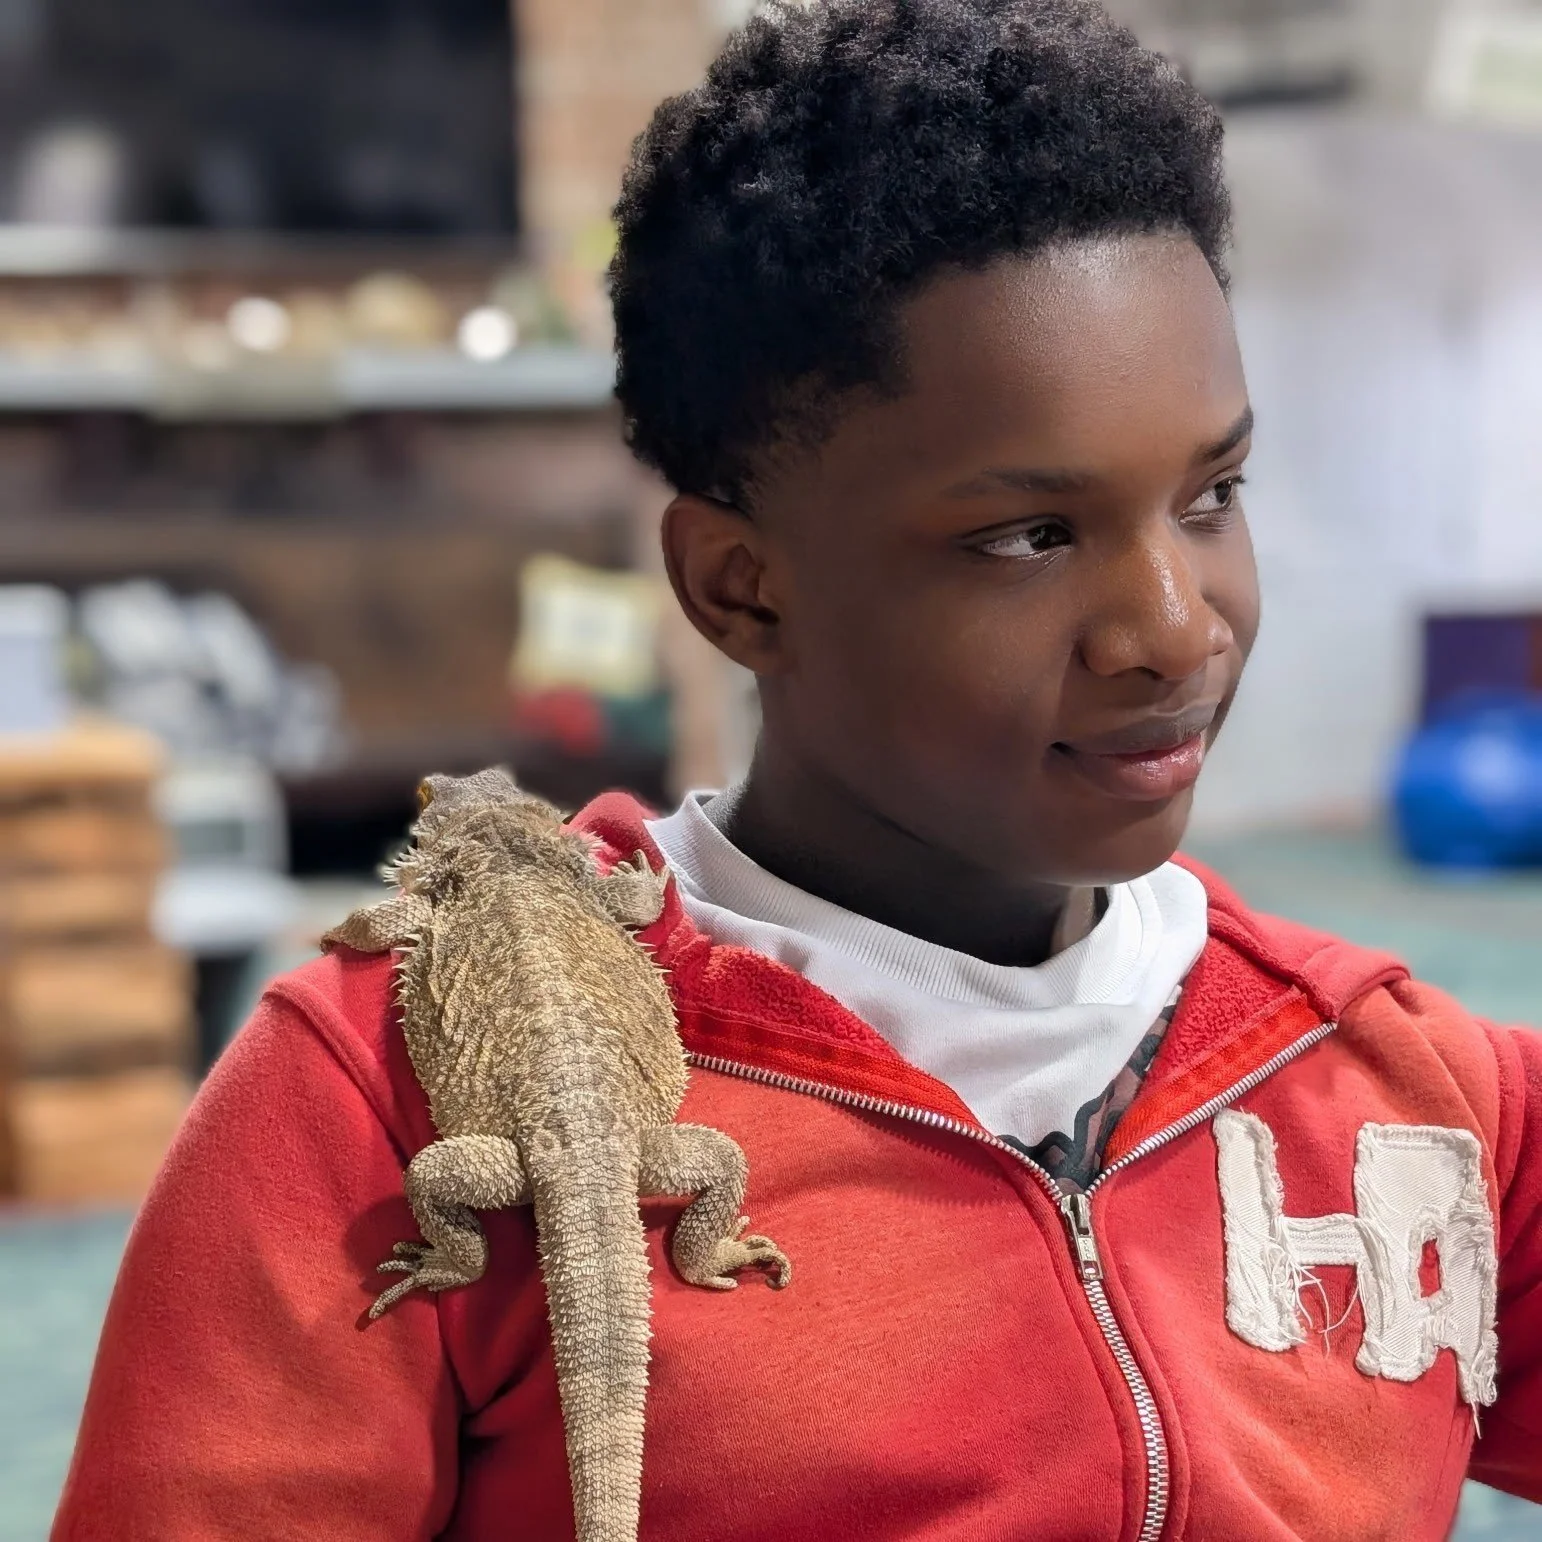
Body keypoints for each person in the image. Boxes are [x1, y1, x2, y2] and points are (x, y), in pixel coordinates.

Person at [54, 2, 1542, 1538]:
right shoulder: (369, 1098)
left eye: (1212, 491)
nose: (1173, 628)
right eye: (1025, 535)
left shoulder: (1407, 1085)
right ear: (738, 588)